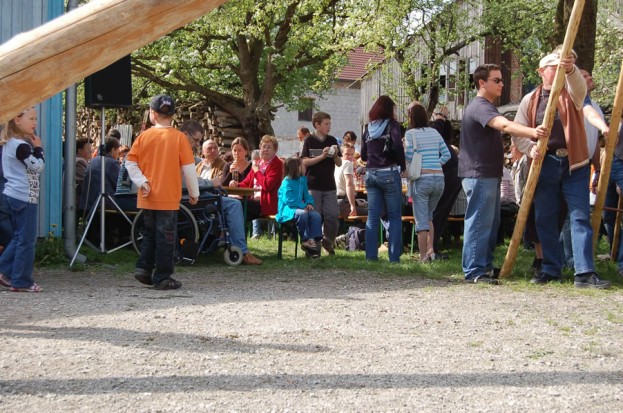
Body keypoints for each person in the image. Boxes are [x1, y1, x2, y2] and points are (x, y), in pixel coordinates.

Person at [512, 53, 610, 288]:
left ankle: (584, 273)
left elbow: (580, 88)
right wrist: (530, 148)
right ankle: (550, 268)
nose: (558, 71)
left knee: (579, 216)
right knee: (545, 217)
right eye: (553, 67)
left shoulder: (572, 93)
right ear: (541, 71)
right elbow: (518, 130)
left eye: (560, 67)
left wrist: (572, 69)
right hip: (544, 163)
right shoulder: (530, 99)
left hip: (575, 163)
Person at [459, 64, 549, 284]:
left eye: (501, 79)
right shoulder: (480, 106)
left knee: (489, 224)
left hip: (486, 174)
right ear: (482, 83)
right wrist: (533, 132)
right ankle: (474, 271)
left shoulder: (486, 106)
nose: (502, 84)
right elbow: (505, 126)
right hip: (479, 174)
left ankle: (485, 266)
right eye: (497, 80)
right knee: (479, 223)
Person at [125, 94, 200, 290]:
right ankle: (163, 277)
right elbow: (189, 169)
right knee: (166, 238)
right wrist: (194, 192)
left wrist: (142, 181)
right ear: (173, 115)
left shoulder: (143, 137)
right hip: (168, 197)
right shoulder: (179, 138)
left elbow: (130, 163)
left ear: (152, 113)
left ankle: (143, 268)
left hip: (147, 196)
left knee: (149, 234)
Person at [179, 127, 262, 265]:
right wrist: (210, 183)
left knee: (235, 202)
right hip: (190, 196)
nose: (196, 144)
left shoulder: (221, 163)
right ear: (185, 134)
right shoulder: (183, 153)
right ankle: (241, 251)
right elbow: (186, 180)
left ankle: (225, 241)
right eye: (196, 140)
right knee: (234, 204)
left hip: (192, 194)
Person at [0, 107, 45, 292]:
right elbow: (37, 166)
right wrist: (39, 149)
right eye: (31, 118)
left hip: (15, 195)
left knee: (19, 237)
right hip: (23, 196)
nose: (35, 123)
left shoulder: (10, 143)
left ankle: (4, 270)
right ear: (17, 120)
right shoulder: (20, 145)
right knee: (26, 240)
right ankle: (21, 280)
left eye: (35, 119)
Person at [360, 95, 406, 263]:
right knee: (394, 216)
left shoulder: (367, 128)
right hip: (389, 173)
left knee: (372, 216)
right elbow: (398, 146)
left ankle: (371, 256)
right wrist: (402, 165)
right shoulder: (392, 125)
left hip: (371, 174)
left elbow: (363, 155)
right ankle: (393, 258)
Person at [404, 101, 451, 262]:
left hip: (422, 179)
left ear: (411, 117)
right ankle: (431, 251)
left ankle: (423, 256)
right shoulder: (434, 132)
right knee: (429, 216)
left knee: (421, 220)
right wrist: (436, 164)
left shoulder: (410, 134)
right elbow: (447, 155)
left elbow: (408, 156)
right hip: (439, 179)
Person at [301, 112, 342, 255]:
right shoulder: (309, 140)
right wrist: (322, 156)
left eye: (330, 124)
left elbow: (339, 163)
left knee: (332, 215)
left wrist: (334, 155)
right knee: (315, 217)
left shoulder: (332, 140)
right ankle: (314, 248)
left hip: (329, 186)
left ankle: (328, 242)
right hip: (313, 186)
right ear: (317, 125)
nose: (329, 127)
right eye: (326, 124)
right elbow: (304, 161)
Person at [429, 107, 461, 259]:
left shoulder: (434, 136)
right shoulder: (443, 143)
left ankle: (432, 248)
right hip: (453, 175)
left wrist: (440, 120)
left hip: (448, 175)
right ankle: (433, 247)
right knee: (440, 213)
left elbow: (437, 134)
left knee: (437, 213)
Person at [79, 137, 123, 246]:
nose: (118, 152)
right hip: (105, 204)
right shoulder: (112, 163)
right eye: (118, 149)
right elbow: (119, 185)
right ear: (112, 149)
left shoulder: (93, 161)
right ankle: (125, 238)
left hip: (88, 203)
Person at [276, 157, 323, 258]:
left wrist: (309, 203)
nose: (304, 167)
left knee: (316, 215)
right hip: (288, 209)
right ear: (296, 168)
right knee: (302, 214)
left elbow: (307, 195)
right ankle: (305, 239)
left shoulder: (302, 180)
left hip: (301, 208)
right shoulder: (286, 182)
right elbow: (289, 200)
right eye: (302, 165)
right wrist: (303, 206)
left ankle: (312, 240)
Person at [230, 135, 283, 222]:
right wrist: (237, 185)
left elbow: (267, 185)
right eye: (263, 147)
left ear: (275, 150)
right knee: (230, 203)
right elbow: (247, 183)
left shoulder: (277, 164)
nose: (265, 149)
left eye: (269, 147)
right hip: (252, 201)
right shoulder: (258, 163)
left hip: (265, 204)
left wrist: (257, 171)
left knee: (236, 205)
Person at [335, 142, 366, 217]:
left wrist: (354, 168)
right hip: (343, 204)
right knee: (376, 210)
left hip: (333, 203)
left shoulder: (335, 164)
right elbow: (349, 185)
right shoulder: (347, 163)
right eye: (347, 154)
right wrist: (352, 206)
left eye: (352, 154)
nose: (350, 157)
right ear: (341, 154)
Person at [75, 137, 92, 206]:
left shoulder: (84, 161)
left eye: (91, 149)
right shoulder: (79, 162)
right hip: (78, 203)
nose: (91, 151)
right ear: (79, 151)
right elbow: (85, 182)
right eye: (88, 149)